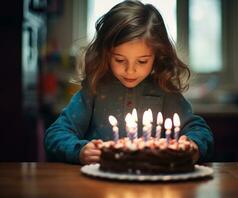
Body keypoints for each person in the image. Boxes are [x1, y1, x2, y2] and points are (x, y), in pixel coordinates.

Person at [44, 0, 214, 165]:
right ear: (106, 54)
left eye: (142, 61)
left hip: (153, 187)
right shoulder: (95, 89)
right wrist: (80, 151)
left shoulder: (164, 91)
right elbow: (56, 134)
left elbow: (199, 130)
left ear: (157, 56)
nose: (130, 70)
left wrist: (193, 146)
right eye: (119, 60)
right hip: (99, 187)